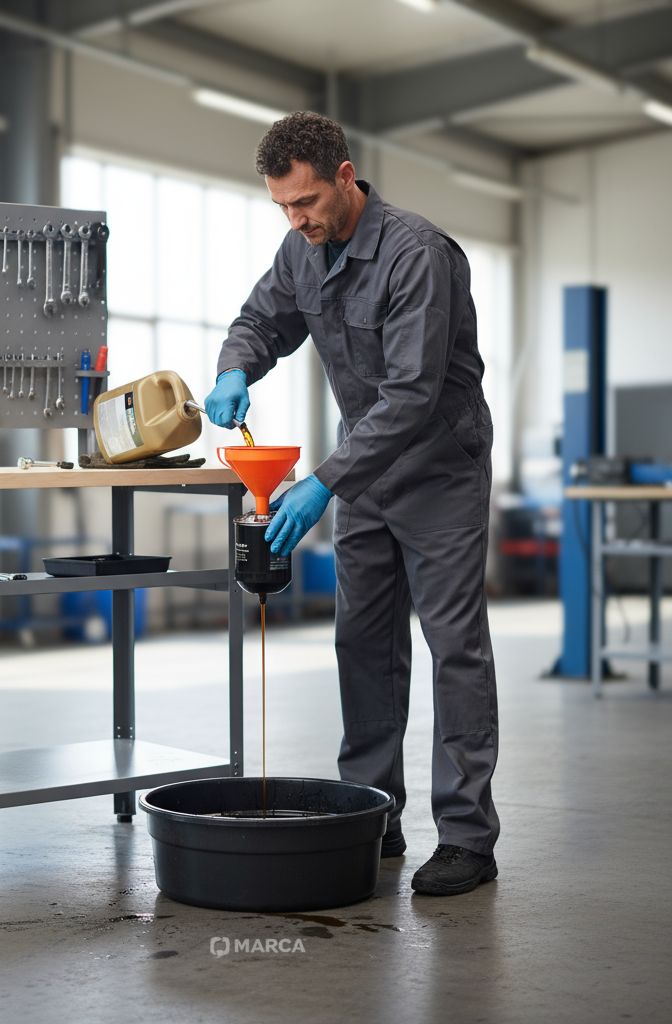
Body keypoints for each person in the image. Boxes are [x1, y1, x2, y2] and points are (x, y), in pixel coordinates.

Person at [205, 111, 499, 896]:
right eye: (281, 208)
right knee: (362, 643)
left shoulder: (417, 255)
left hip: (437, 466)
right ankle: (375, 816)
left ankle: (468, 838)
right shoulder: (301, 248)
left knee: (454, 647)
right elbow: (261, 319)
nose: (295, 221)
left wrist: (325, 483)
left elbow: (409, 397)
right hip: (364, 474)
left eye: (304, 203)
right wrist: (238, 366)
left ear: (345, 176)